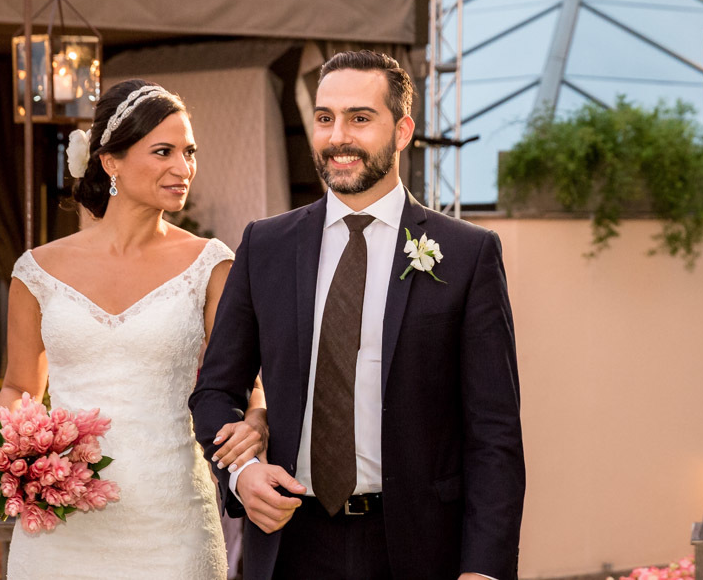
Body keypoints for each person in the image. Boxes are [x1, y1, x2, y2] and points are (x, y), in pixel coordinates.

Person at [190, 50, 525, 580]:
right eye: (325, 118)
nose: (337, 136)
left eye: (359, 118)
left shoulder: (467, 254)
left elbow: (494, 432)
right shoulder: (266, 245)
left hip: (417, 548)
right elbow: (214, 393)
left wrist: (483, 568)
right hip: (288, 543)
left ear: (402, 130)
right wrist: (243, 474)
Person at [0, 79, 267, 579]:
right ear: (110, 162)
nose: (182, 168)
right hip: (61, 525)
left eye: (189, 152)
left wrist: (256, 423)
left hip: (172, 523)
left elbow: (246, 384)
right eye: (163, 151)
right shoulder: (36, 271)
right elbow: (19, 386)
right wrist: (19, 454)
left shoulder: (212, 265)